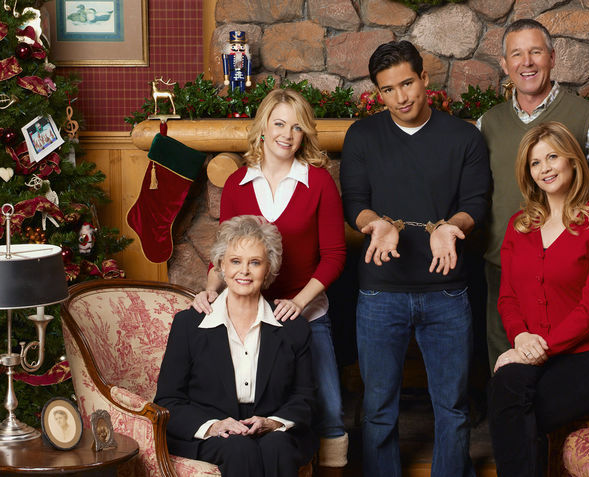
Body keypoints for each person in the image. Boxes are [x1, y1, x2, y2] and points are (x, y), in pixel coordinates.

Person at [340, 40, 490, 477]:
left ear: (425, 79)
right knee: (378, 408)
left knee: (453, 406)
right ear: (378, 93)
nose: (400, 97)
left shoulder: (464, 136)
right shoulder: (362, 136)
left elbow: (475, 202)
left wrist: (452, 227)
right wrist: (375, 224)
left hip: (447, 292)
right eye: (388, 89)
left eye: (407, 83)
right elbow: (355, 202)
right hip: (380, 292)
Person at [191, 88, 348, 469]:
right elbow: (224, 253)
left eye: (297, 127)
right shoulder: (237, 184)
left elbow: (335, 256)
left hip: (306, 317)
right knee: (257, 414)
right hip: (249, 320)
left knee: (329, 412)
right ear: (262, 128)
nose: (287, 135)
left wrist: (299, 303)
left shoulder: (319, 182)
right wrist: (209, 290)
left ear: (305, 133)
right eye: (279, 124)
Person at [478, 18, 589, 372]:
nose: (527, 62)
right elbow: (475, 193)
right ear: (504, 64)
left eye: (536, 52)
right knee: (506, 370)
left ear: (551, 57)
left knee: (561, 372)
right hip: (505, 271)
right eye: (516, 54)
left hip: (570, 276)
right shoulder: (487, 123)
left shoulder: (588, 117)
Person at [487, 122, 589, 477]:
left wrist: (536, 350)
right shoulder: (519, 226)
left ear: (573, 163)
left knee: (516, 413)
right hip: (536, 350)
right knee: (505, 388)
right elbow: (508, 297)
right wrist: (520, 337)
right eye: (535, 162)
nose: (545, 168)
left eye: (553, 157)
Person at [156, 215, 315, 477]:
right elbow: (168, 399)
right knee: (239, 448)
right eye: (235, 261)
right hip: (212, 430)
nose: (244, 271)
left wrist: (273, 423)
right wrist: (213, 426)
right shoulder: (188, 324)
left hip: (273, 428)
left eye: (255, 262)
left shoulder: (293, 327)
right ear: (221, 265)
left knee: (277, 446)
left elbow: (304, 397)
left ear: (269, 268)